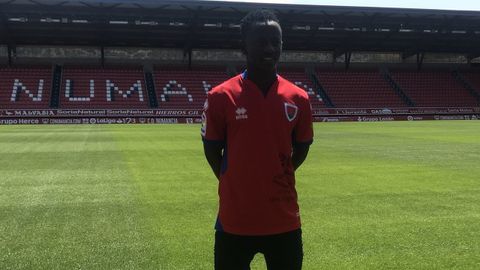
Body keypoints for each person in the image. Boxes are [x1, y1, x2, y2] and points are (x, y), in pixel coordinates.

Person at [201, 9, 313, 270]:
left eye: (276, 42)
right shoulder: (220, 96)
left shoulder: (299, 98)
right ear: (244, 46)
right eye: (261, 41)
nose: (270, 48)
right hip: (235, 219)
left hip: (283, 218)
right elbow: (211, 151)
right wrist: (235, 178)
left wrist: (277, 172)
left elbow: (302, 147)